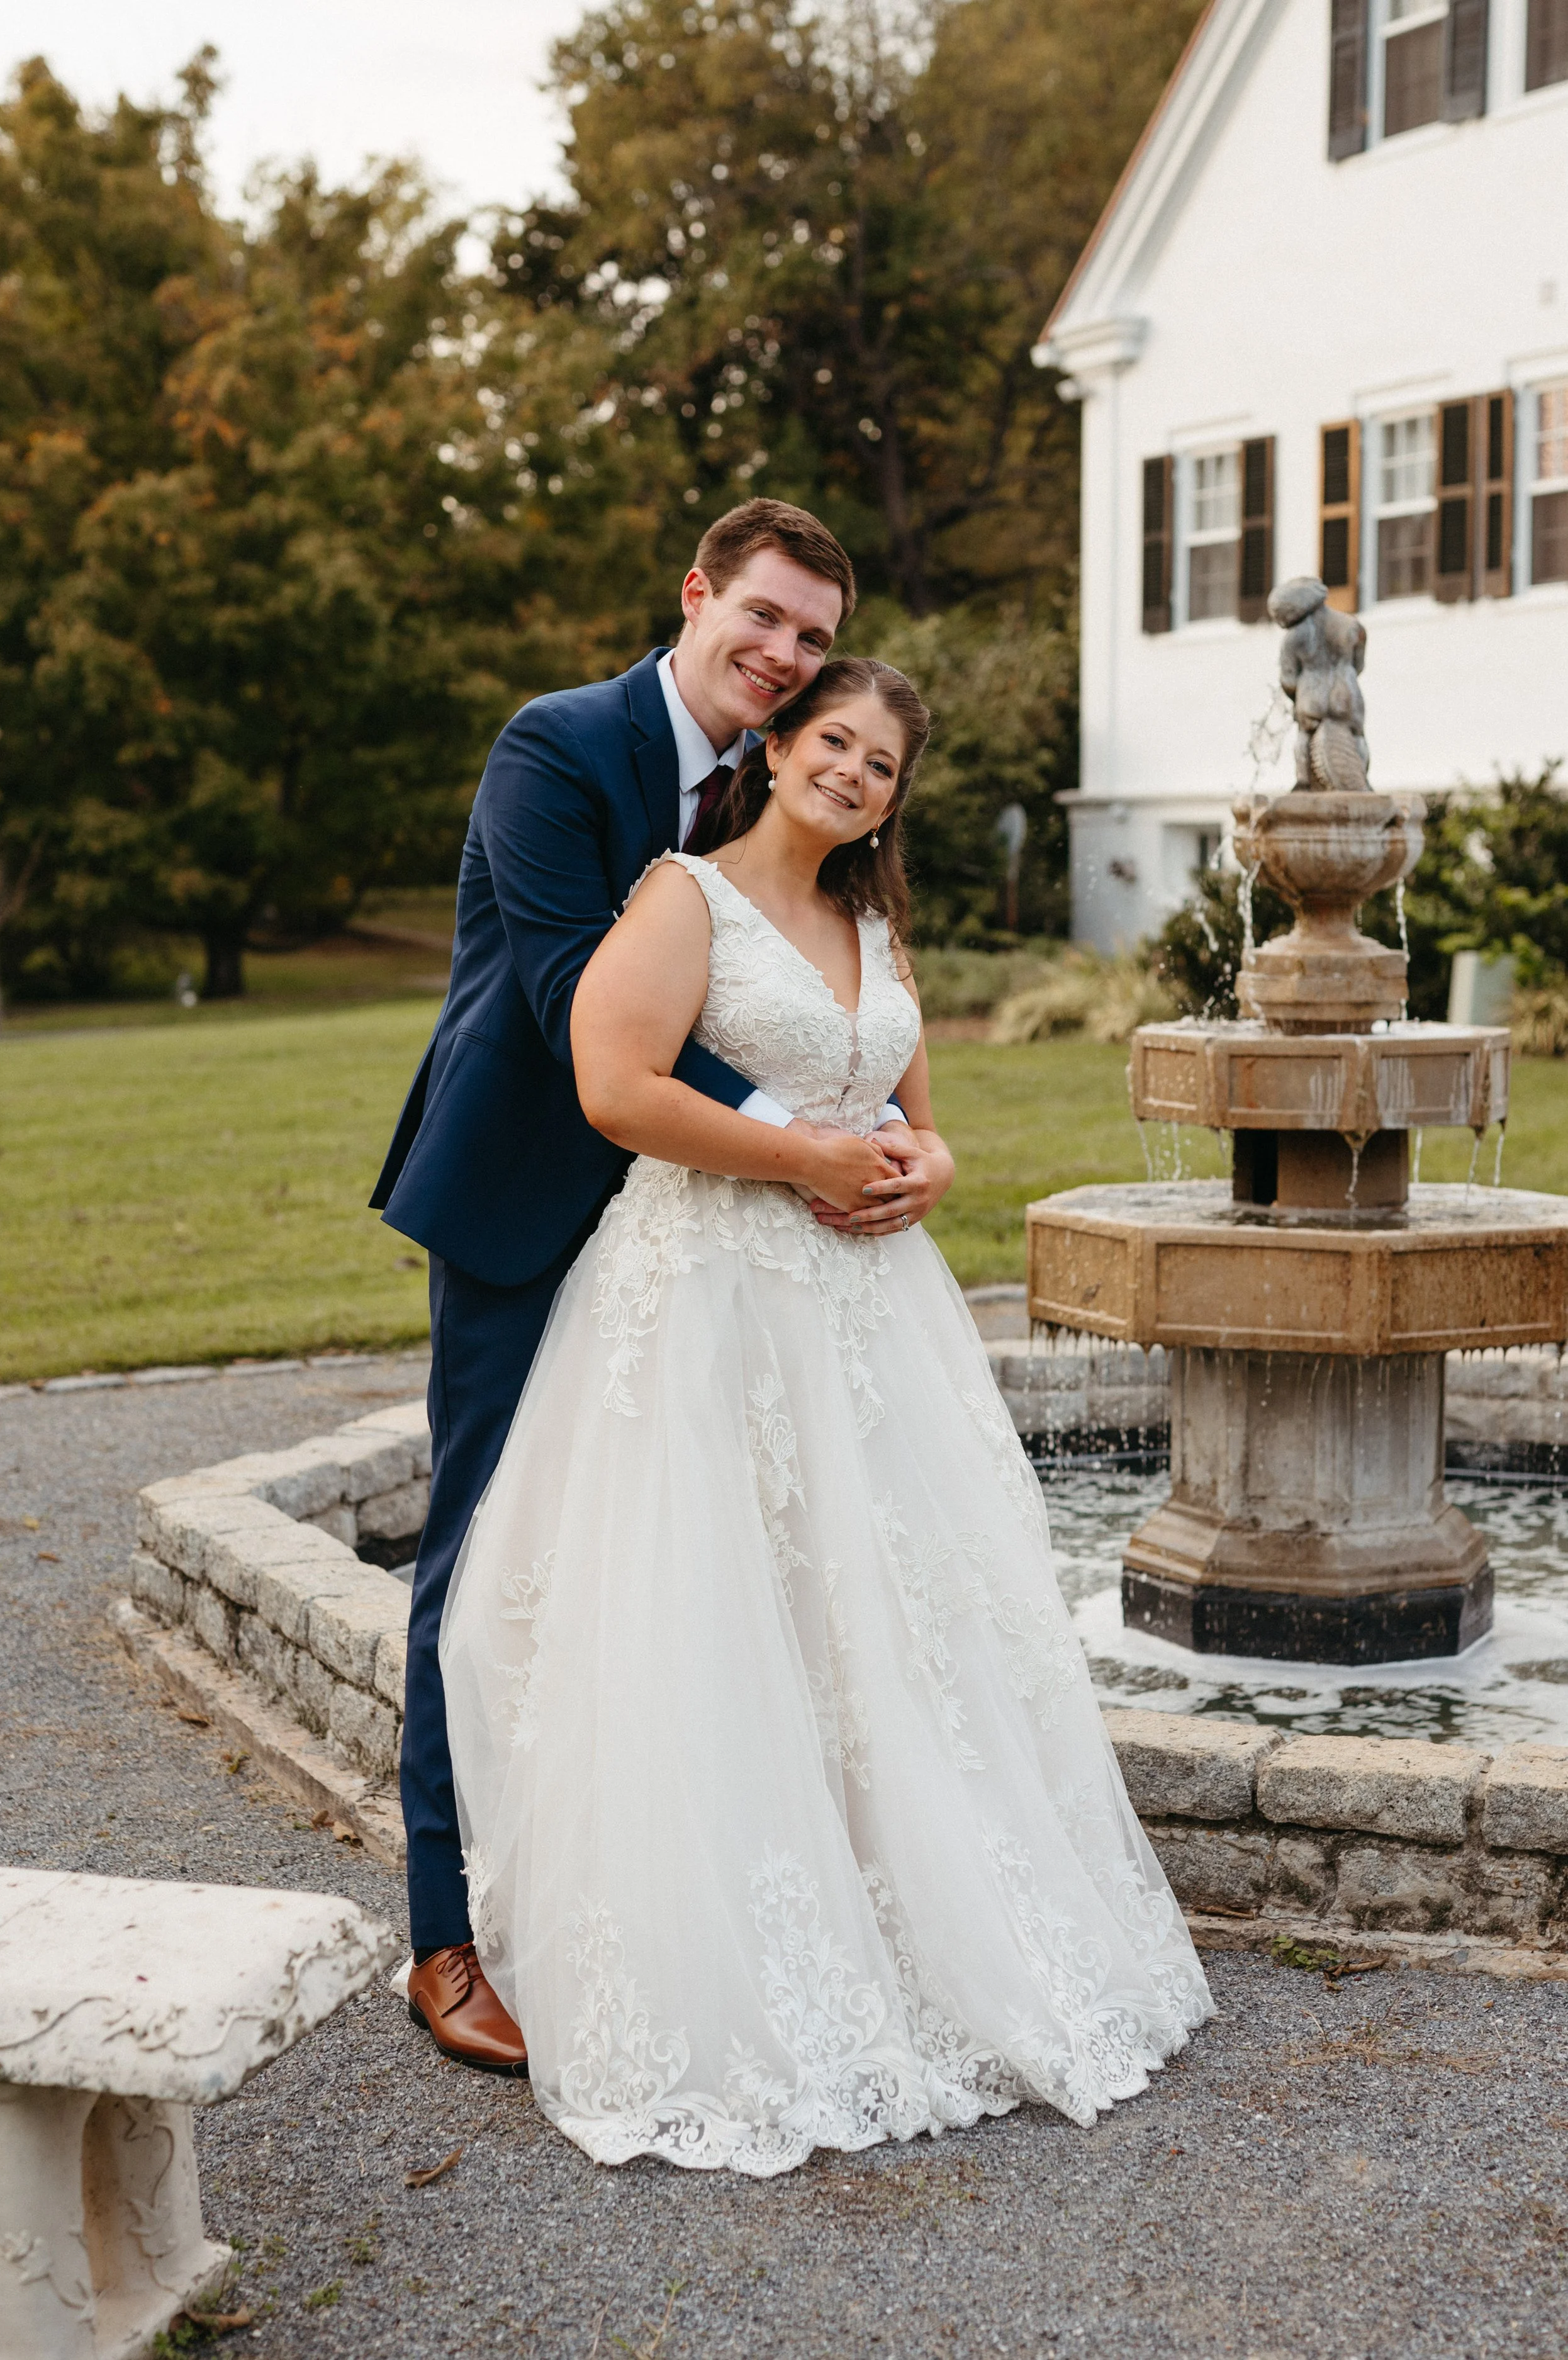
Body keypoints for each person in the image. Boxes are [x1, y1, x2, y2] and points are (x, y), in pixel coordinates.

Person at [439, 655, 1212, 2174]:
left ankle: (911, 1917)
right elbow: (615, 1084)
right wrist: (799, 1166)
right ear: (777, 745)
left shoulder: (869, 922)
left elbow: (918, 1122)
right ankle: (725, 1959)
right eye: (834, 743)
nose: (853, 775)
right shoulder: (681, 898)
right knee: (723, 1609)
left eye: (881, 767)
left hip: (864, 1321)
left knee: (882, 1616)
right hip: (713, 1298)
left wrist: (932, 1168)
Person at [371, 501, 944, 2073]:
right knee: (486, 1562)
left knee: (692, 1566)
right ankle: (443, 1935)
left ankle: (649, 1894)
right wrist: (806, 1140)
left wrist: (892, 1141)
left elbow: (836, 999)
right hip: (527, 1203)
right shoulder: (556, 749)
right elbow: (577, 1009)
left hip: (711, 1240)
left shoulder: (799, 804)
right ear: (696, 596)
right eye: (760, 618)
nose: (781, 655)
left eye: (811, 638)